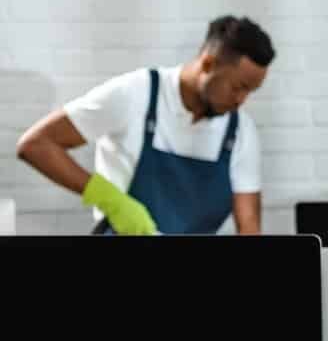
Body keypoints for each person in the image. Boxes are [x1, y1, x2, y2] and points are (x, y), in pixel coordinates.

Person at [14, 16, 275, 236]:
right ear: (207, 64)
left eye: (251, 91)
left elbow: (249, 229)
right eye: (238, 87)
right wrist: (113, 202)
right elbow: (36, 144)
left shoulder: (240, 131)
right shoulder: (136, 94)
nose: (242, 100)